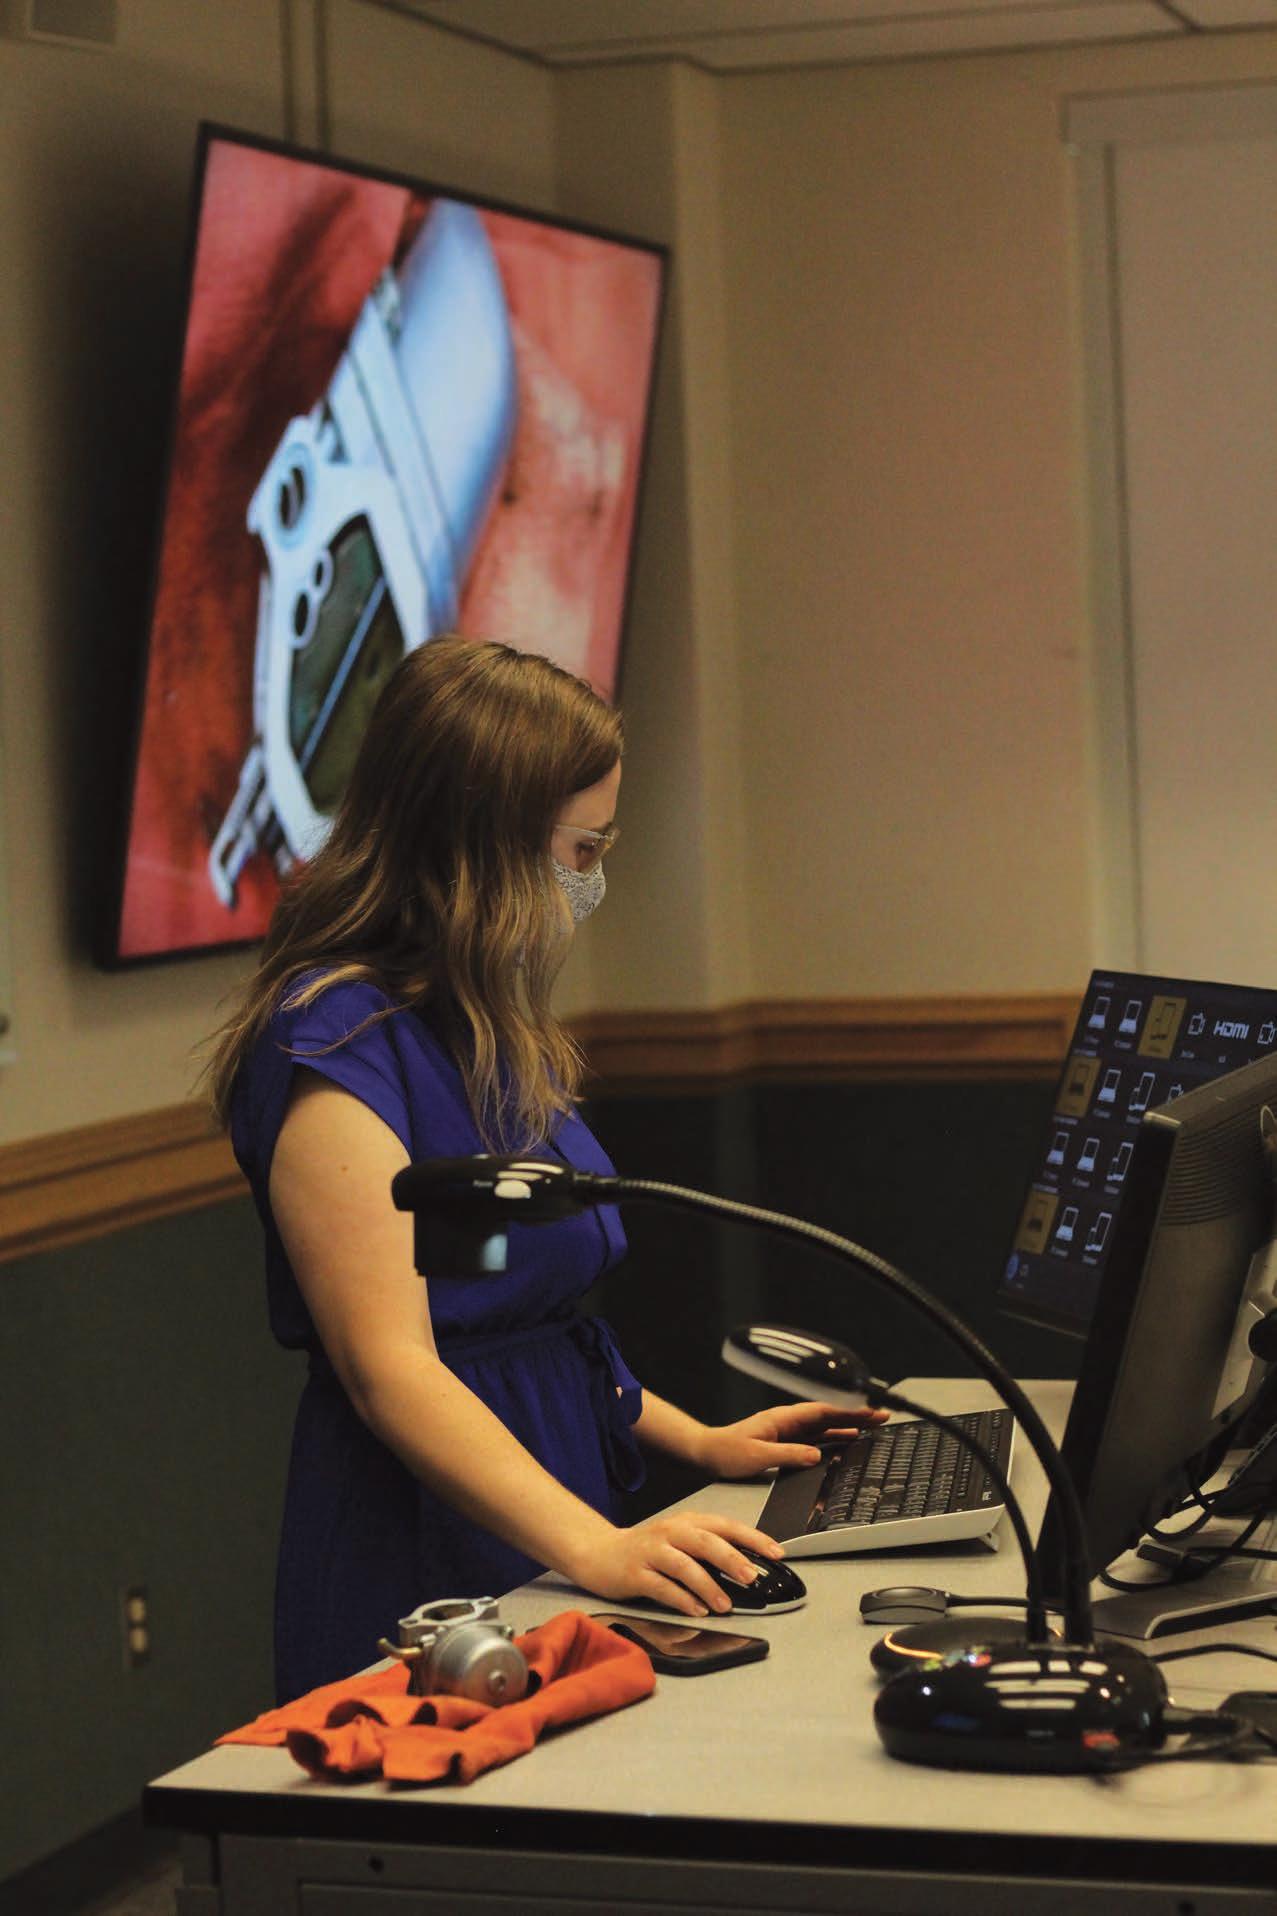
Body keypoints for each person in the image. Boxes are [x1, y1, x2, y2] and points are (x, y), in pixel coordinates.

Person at [208, 637, 875, 1701]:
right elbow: (394, 1367)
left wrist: (699, 1441)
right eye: (582, 848)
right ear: (483, 844)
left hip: (545, 1502)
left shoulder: (474, 1025)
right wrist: (593, 1545)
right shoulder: (333, 1044)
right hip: (425, 1540)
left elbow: (514, 1319)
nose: (593, 879)